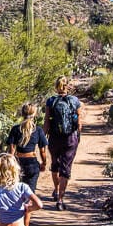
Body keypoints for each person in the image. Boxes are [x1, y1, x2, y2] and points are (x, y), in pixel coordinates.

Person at [43, 76, 84, 211]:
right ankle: (60, 200)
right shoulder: (75, 100)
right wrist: (77, 136)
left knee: (55, 165)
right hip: (70, 139)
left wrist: (43, 137)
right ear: (68, 86)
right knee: (65, 168)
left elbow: (47, 122)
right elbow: (79, 122)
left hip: (54, 138)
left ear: (56, 86)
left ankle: (55, 190)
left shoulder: (51, 101)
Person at [6, 102, 47, 226]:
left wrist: (10, 165)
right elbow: (42, 150)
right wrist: (44, 163)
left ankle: (14, 225)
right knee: (29, 197)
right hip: (32, 164)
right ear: (35, 114)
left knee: (15, 194)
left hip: (18, 164)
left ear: (22, 114)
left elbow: (11, 150)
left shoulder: (15, 129)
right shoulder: (38, 130)